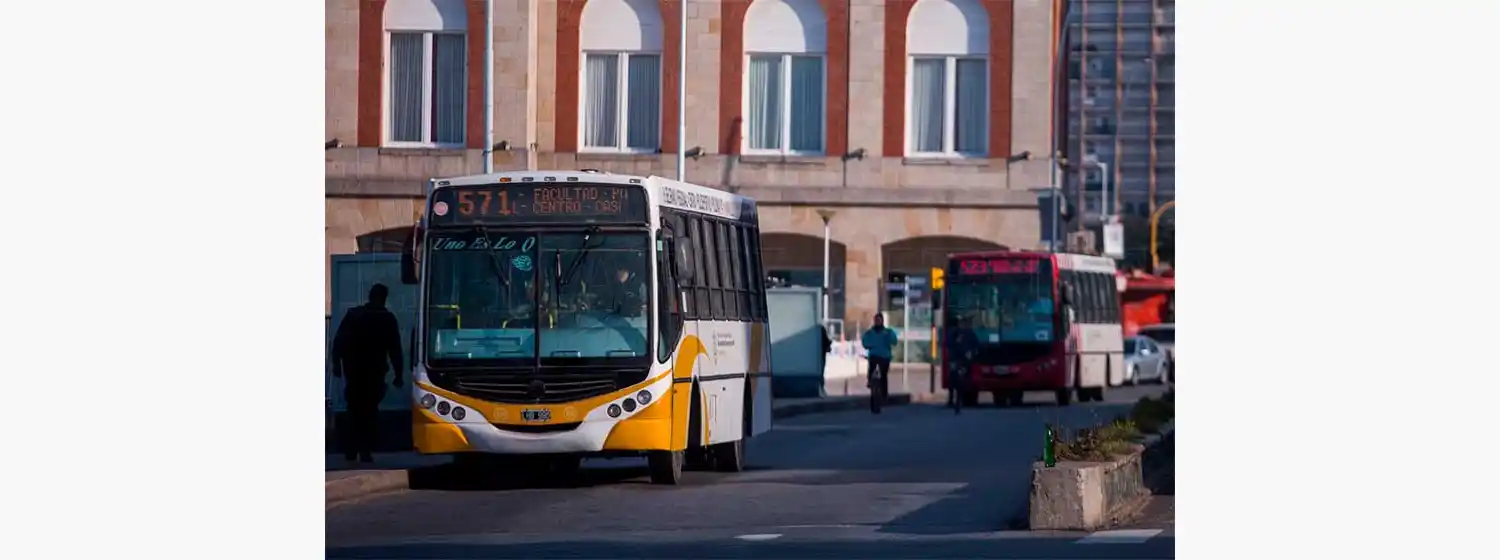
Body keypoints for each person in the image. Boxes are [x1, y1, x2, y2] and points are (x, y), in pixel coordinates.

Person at [331, 284, 405, 463]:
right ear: (384, 298)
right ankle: (363, 449)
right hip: (373, 372)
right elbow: (395, 349)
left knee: (355, 409)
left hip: (355, 371)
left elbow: (338, 342)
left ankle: (353, 448)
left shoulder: (355, 315)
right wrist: (398, 374)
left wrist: (337, 364)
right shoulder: (386, 319)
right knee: (368, 411)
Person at [860, 312, 900, 410]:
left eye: (879, 320)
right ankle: (872, 383)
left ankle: (882, 393)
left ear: (882, 321)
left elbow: (894, 341)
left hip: (883, 357)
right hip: (876, 356)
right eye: (876, 320)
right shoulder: (872, 332)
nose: (877, 322)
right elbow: (864, 343)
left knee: (883, 375)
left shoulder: (887, 332)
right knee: (873, 370)